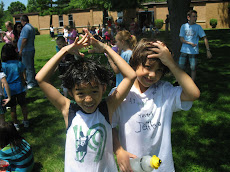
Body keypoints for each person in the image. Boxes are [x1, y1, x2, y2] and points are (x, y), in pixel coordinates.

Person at [35, 28, 136, 171]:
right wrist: (65, 50)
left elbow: (130, 75)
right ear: (70, 92)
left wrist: (106, 48)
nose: (88, 99)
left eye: (94, 91)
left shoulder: (108, 107)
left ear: (103, 88)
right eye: (81, 93)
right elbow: (40, 79)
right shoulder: (68, 109)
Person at [112, 38, 200, 172]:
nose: (152, 74)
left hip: (163, 167)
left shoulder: (165, 91)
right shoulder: (121, 94)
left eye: (159, 70)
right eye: (147, 67)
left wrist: (171, 63)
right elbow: (109, 125)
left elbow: (193, 94)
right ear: (135, 63)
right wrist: (118, 151)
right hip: (133, 166)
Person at [1, 44, 28, 131]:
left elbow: (2, 79)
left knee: (13, 108)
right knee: (23, 105)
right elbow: (24, 76)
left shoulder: (3, 65)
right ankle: (26, 121)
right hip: (19, 88)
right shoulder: (19, 63)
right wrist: (24, 83)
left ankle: (16, 124)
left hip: (9, 90)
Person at [179, 10, 212, 81]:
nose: (196, 18)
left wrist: (208, 50)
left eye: (196, 16)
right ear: (188, 17)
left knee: (193, 67)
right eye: (194, 16)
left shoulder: (198, 27)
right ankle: (180, 81)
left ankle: (192, 82)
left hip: (193, 51)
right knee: (181, 67)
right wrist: (190, 43)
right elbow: (181, 39)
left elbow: (205, 38)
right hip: (184, 50)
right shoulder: (183, 26)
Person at [18, 15, 37, 89]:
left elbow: (24, 40)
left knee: (28, 67)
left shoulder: (26, 28)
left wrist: (21, 49)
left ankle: (31, 83)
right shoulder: (30, 27)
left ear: (23, 21)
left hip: (27, 50)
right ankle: (32, 80)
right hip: (29, 49)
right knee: (30, 66)